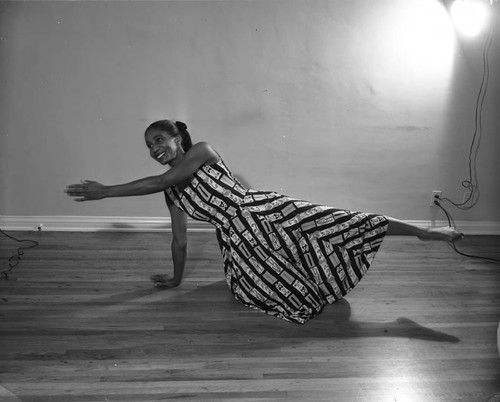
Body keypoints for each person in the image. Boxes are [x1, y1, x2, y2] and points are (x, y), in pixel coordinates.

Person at [65, 120, 464, 324]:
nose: (154, 149)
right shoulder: (173, 193)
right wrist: (175, 280)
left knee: (342, 223)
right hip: (237, 239)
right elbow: (179, 240)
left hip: (261, 209)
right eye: (149, 146)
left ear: (178, 139)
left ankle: (425, 233)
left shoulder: (201, 151)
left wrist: (106, 191)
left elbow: (166, 178)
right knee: (251, 291)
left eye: (159, 141)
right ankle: (315, 288)